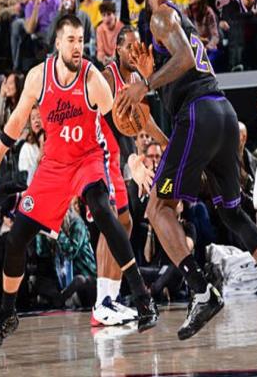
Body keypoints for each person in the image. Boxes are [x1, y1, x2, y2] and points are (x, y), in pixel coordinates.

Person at [116, 0, 257, 340]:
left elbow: (184, 58)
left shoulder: (160, 15)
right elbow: (182, 67)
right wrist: (153, 78)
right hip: (223, 115)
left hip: (199, 113)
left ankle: (201, 290)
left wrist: (144, 85)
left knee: (157, 208)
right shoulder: (180, 21)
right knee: (231, 212)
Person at [0, 14, 158, 350]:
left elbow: (119, 124)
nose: (78, 47)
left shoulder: (92, 78)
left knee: (103, 210)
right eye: (72, 40)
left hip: (88, 159)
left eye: (81, 41)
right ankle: (7, 314)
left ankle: (142, 296)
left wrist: (133, 160)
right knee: (15, 240)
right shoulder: (39, 77)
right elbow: (17, 120)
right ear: (58, 43)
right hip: (53, 167)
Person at [93, 25, 168, 326]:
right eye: (129, 47)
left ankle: (110, 299)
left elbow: (142, 121)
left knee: (124, 223)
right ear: (117, 50)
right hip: (98, 152)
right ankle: (101, 302)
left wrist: (165, 142)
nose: (134, 53)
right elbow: (108, 123)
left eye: (138, 47)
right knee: (111, 222)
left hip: (116, 156)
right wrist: (133, 161)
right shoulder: (109, 77)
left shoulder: (136, 80)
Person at [96, 0, 124, 66]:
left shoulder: (121, 28)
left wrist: (113, 59)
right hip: (105, 62)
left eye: (109, 14)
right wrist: (103, 59)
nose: (106, 18)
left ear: (114, 14)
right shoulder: (99, 29)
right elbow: (100, 51)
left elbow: (122, 50)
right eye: (103, 15)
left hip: (119, 61)